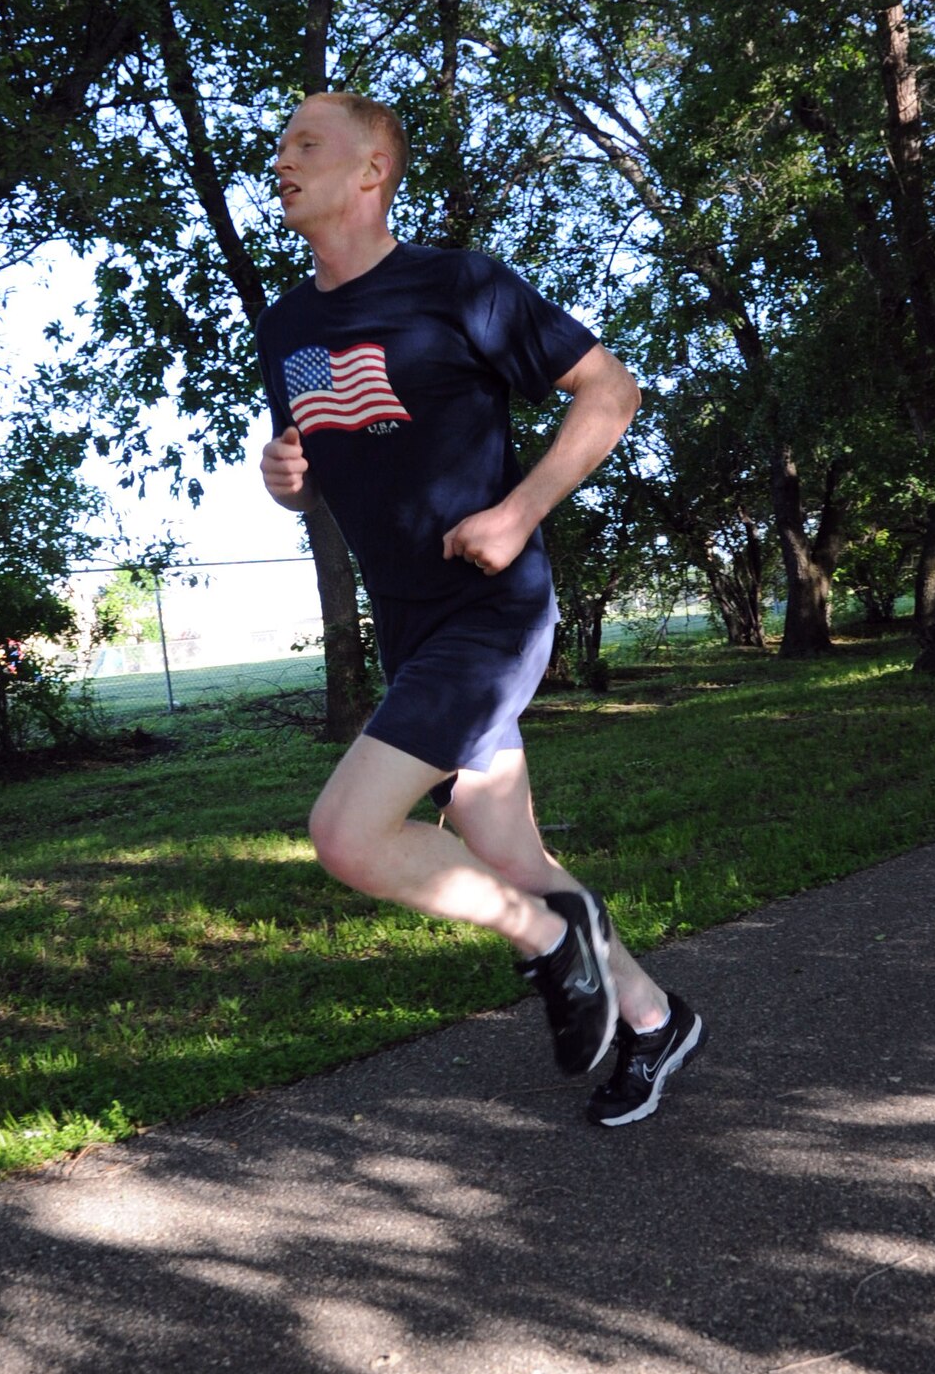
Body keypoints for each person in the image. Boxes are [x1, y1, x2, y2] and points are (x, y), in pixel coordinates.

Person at [255, 91, 704, 1126]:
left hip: (489, 610)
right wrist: (283, 475)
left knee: (348, 835)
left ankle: (551, 940)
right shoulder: (287, 325)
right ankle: (650, 1018)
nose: (281, 159)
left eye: (304, 143)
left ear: (370, 171)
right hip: (409, 624)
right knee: (508, 854)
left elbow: (610, 390)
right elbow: (322, 448)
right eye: (280, 145)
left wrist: (517, 509)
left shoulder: (456, 284)